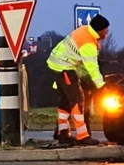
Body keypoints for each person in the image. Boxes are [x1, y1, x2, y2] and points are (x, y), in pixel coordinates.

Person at [46, 15, 110, 146]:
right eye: (105, 29)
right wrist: (101, 86)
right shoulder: (88, 43)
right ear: (99, 30)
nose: (107, 32)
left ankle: (62, 133)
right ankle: (82, 136)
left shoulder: (84, 30)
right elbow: (92, 67)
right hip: (64, 66)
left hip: (58, 64)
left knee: (65, 100)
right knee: (77, 99)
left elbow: (82, 63)